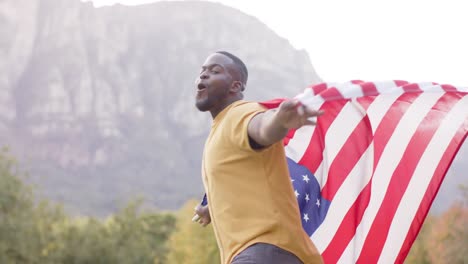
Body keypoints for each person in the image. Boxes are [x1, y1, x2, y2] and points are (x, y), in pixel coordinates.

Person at [194, 51, 324, 264]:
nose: (203, 75)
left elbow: (262, 128)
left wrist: (279, 122)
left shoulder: (239, 113)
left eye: (214, 71)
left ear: (235, 86)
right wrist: (211, 209)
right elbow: (243, 185)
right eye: (202, 71)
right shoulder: (219, 131)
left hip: (264, 252)